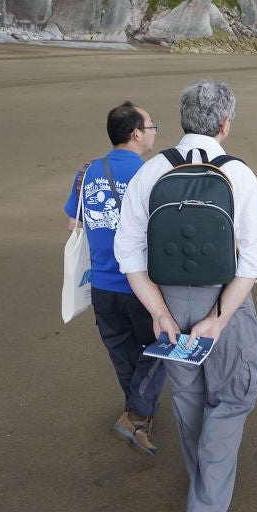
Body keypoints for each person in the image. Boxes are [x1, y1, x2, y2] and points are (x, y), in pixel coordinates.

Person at [113, 80, 257, 512]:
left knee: (188, 395)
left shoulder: (151, 171)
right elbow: (253, 263)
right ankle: (205, 509)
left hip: (168, 302)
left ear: (182, 121)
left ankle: (202, 475)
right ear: (225, 124)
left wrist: (159, 312)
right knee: (237, 391)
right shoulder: (237, 174)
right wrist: (220, 318)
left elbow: (129, 255)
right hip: (224, 298)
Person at [63, 101, 164, 455]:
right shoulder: (151, 174)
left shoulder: (87, 172)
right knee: (160, 348)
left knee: (123, 353)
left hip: (102, 284)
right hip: (142, 284)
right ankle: (136, 414)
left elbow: (72, 222)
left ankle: (139, 413)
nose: (154, 132)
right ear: (136, 133)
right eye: (152, 126)